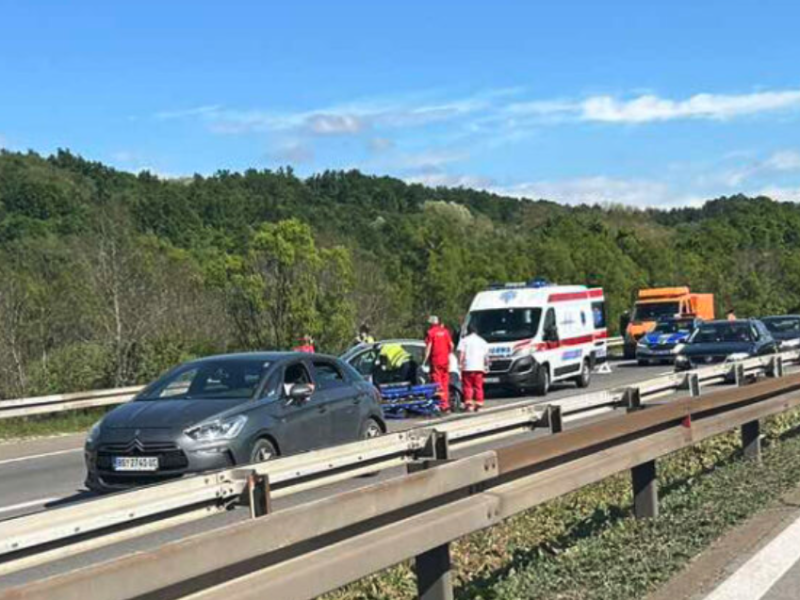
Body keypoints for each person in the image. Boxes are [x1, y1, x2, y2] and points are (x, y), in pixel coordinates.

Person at [424, 315, 453, 412]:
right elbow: (451, 345)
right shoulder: (445, 332)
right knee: (445, 383)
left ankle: (441, 404)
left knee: (438, 383)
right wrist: (447, 353)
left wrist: (425, 360)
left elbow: (429, 347)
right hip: (445, 361)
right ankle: (446, 403)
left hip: (436, 361)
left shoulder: (430, 332)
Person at [458, 323, 490, 412]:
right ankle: (479, 404)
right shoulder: (482, 341)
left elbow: (462, 354)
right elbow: (486, 356)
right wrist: (486, 365)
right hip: (479, 367)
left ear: (468, 331)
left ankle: (469, 405)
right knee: (478, 386)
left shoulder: (464, 341)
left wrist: (460, 364)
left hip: (468, 367)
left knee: (468, 386)